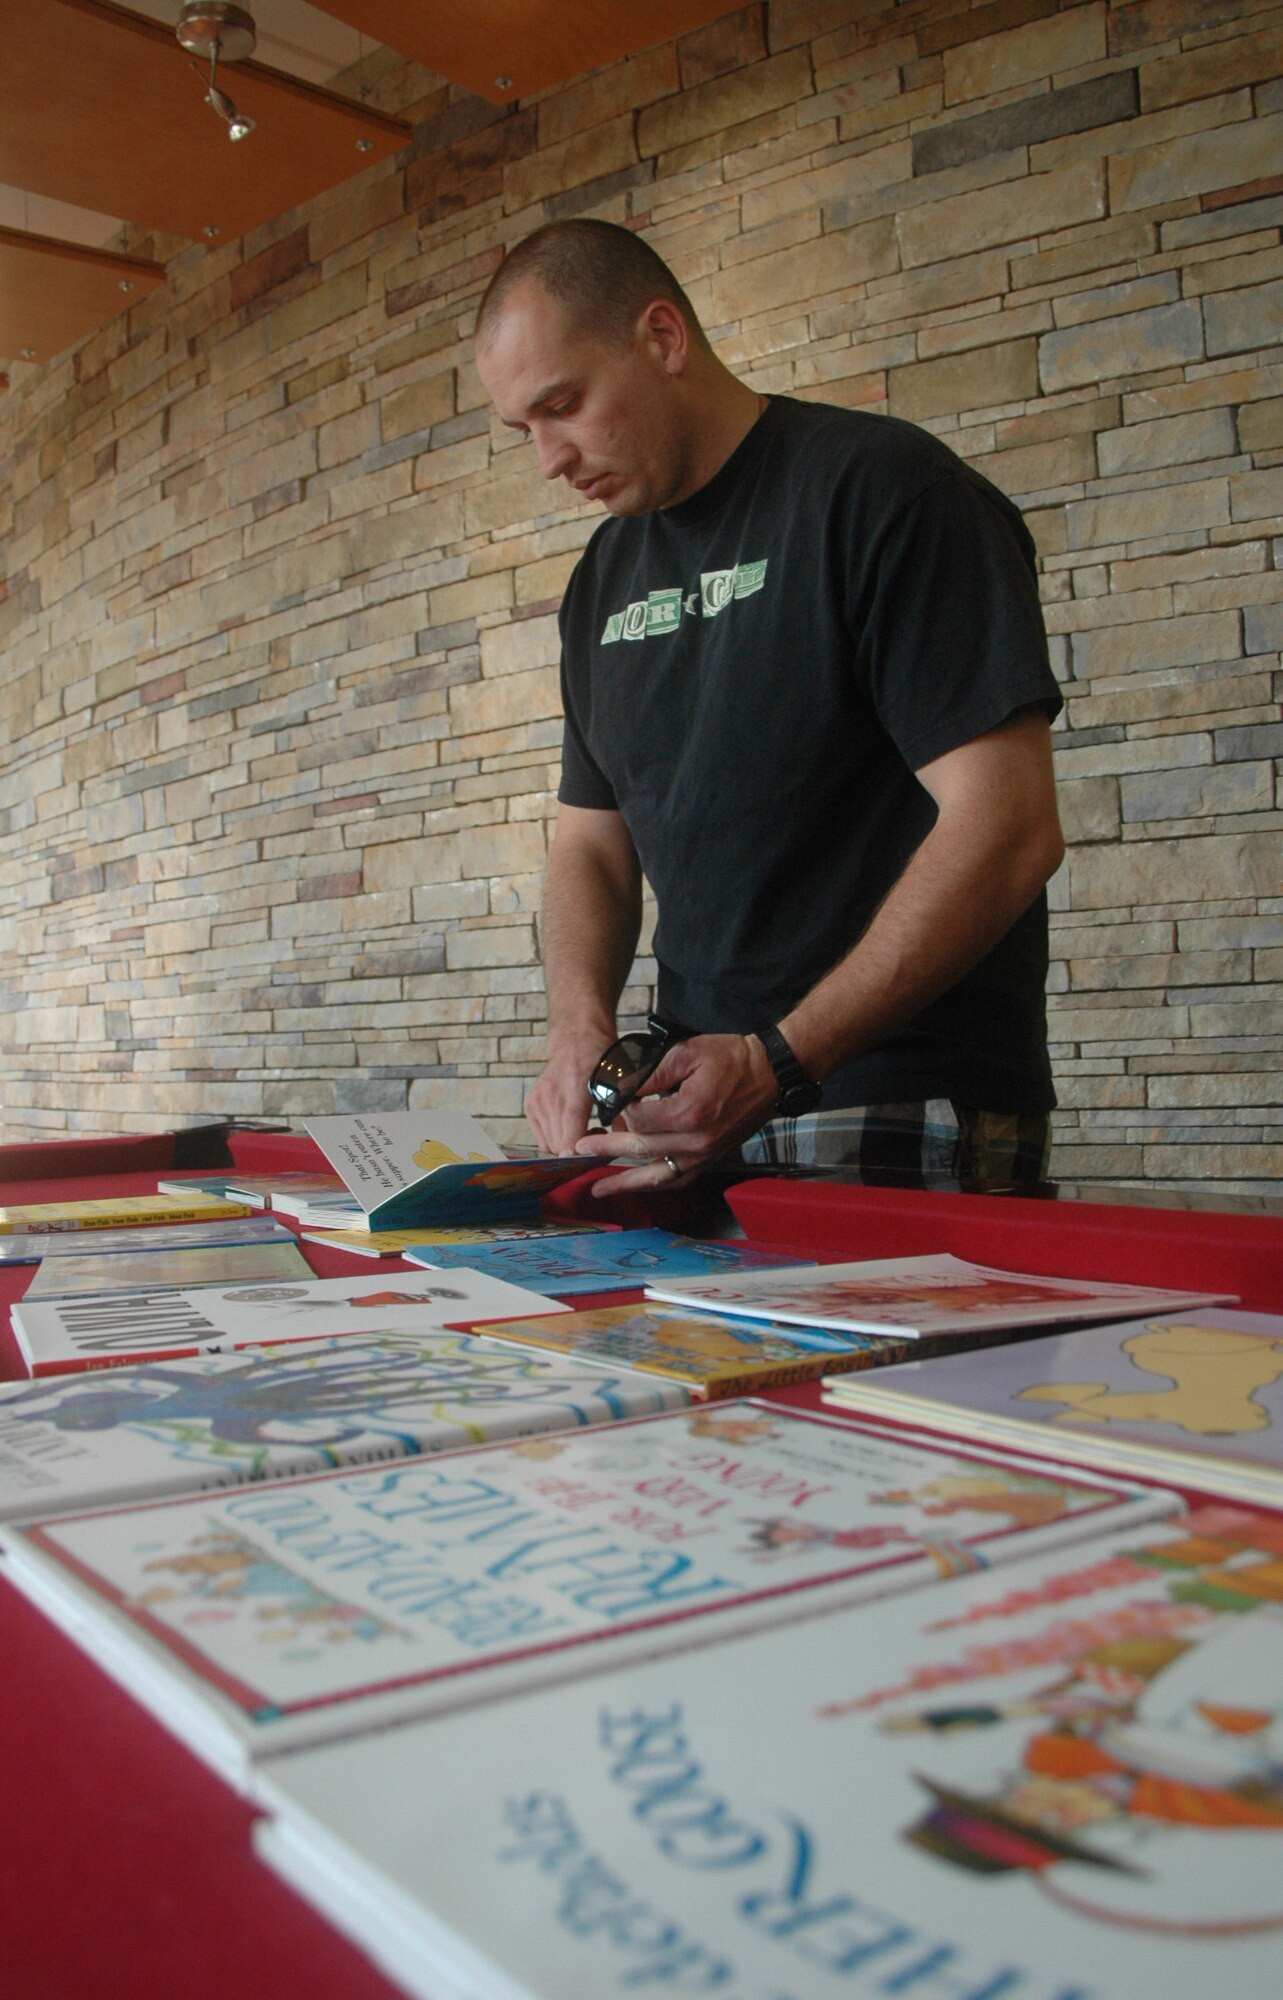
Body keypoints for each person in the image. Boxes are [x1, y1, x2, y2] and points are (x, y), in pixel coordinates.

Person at [473, 219, 1065, 1198]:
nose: (547, 459)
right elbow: (588, 844)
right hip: (692, 1108)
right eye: (521, 429)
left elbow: (1005, 826)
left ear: (661, 339)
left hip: (895, 1095)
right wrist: (577, 1022)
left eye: (563, 405)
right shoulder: (600, 581)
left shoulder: (884, 492)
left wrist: (781, 1059)